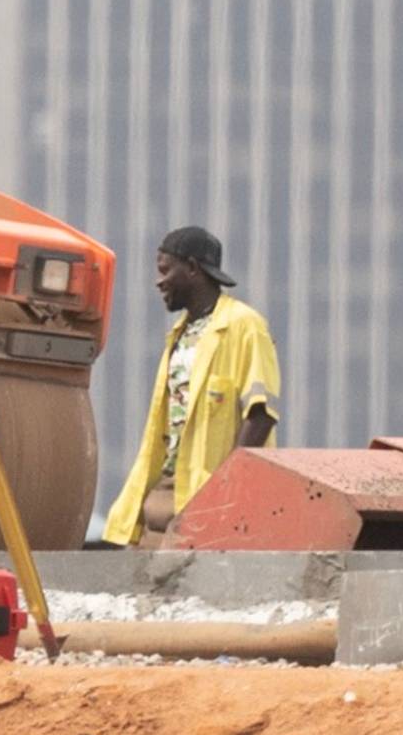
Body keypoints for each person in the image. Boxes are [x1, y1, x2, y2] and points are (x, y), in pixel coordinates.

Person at [98, 226, 280, 546]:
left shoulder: (244, 326)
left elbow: (260, 413)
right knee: (146, 582)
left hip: (214, 495)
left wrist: (228, 486)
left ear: (193, 268)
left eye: (165, 270)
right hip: (168, 488)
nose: (159, 281)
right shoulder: (180, 334)